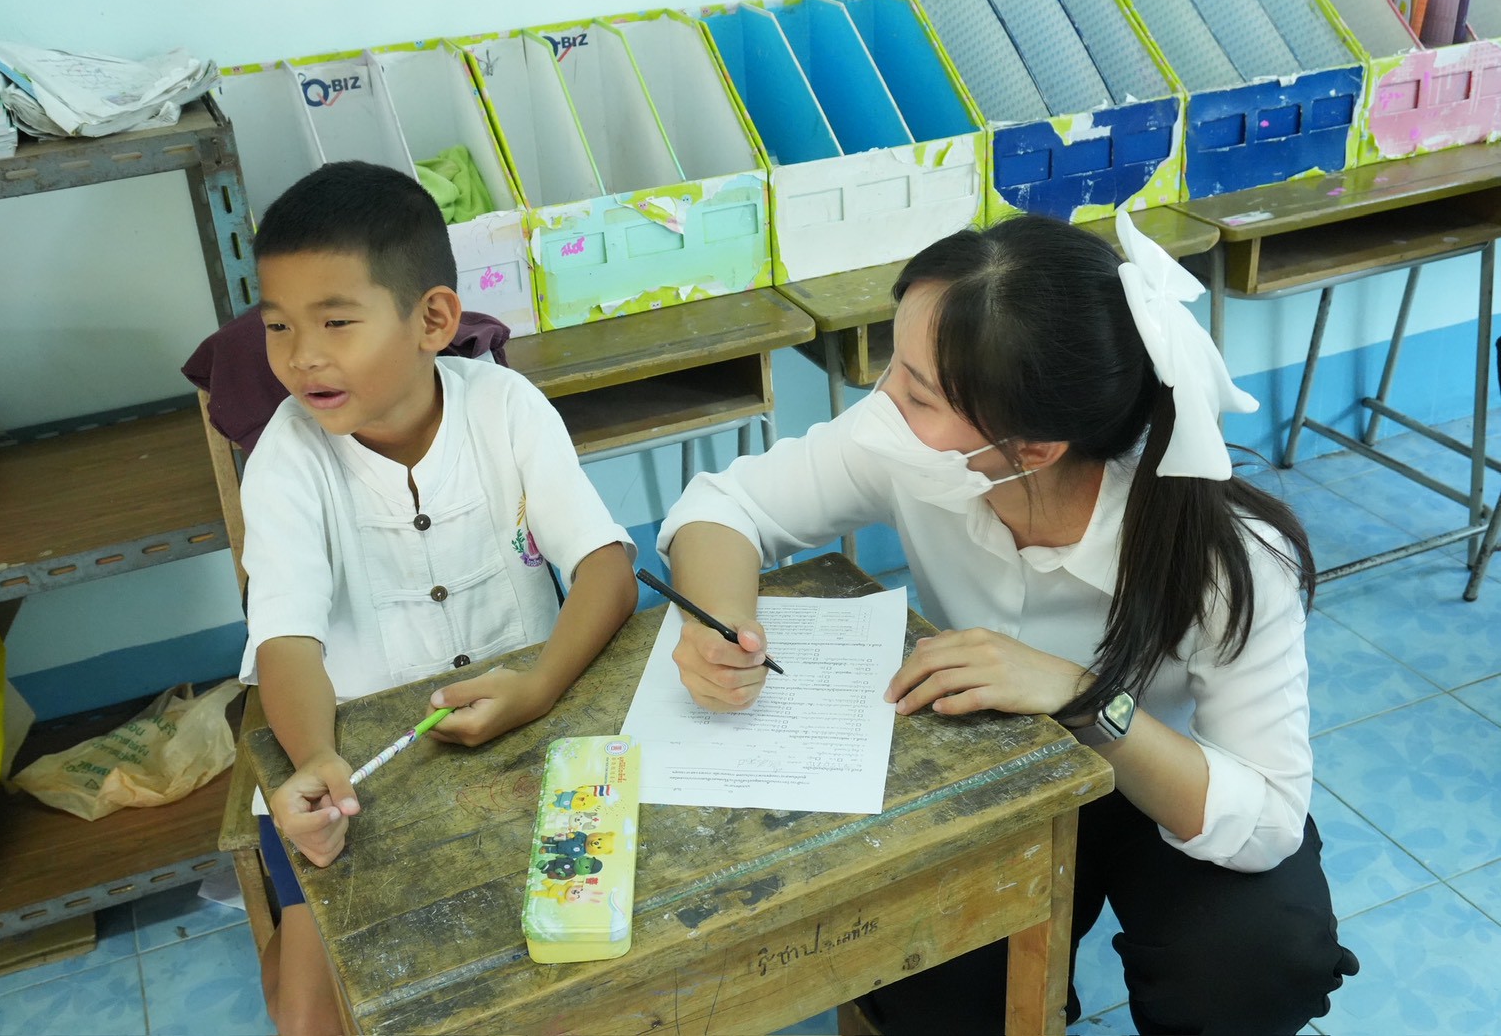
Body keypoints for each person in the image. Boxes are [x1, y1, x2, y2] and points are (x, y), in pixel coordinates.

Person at [658, 212, 1359, 1034]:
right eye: (894, 365)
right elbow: (725, 506)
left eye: (916, 391)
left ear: (1033, 449)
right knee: (931, 979)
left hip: (1152, 780)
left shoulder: (1228, 560)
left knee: (1257, 963)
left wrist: (1079, 696)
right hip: (993, 776)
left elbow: (1267, 819)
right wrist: (721, 620)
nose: (882, 404)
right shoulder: (915, 449)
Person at [239, 161, 637, 1035]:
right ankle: (278, 936)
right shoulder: (286, 459)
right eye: (276, 326)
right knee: (312, 1021)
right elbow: (285, 641)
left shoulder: (504, 406)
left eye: (334, 322)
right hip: (352, 774)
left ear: (432, 320)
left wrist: (537, 687)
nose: (301, 356)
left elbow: (606, 568)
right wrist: (314, 758)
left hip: (532, 731)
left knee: (589, 966)